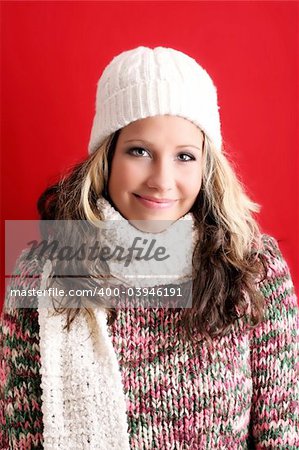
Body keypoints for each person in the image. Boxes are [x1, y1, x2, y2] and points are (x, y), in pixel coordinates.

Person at [1, 46, 298, 450]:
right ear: (106, 158)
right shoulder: (41, 274)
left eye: (185, 156)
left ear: (206, 168)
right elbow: (20, 436)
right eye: (139, 151)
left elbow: (281, 433)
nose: (162, 179)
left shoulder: (252, 266)